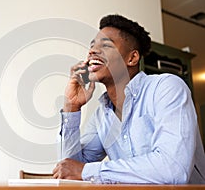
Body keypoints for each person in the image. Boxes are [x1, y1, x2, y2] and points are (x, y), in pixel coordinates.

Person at [52, 14, 205, 184]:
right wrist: (71, 107)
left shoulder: (167, 88)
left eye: (106, 45)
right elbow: (70, 170)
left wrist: (87, 171)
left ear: (132, 58)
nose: (92, 51)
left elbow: (173, 169)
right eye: (92, 46)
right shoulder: (102, 115)